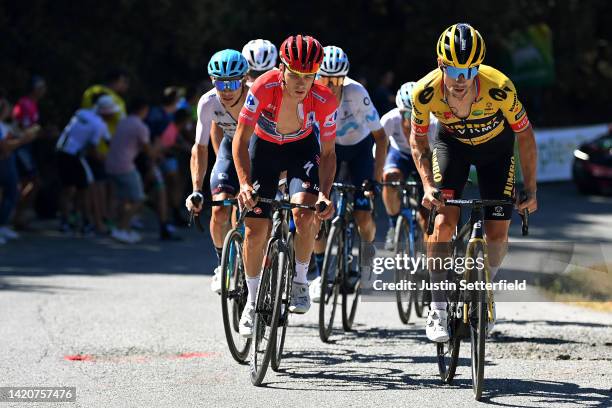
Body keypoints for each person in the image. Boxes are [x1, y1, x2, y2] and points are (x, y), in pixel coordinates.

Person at [410, 23, 538, 342]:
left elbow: (524, 134)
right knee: (443, 221)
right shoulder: (425, 92)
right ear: (441, 64)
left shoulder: (500, 87)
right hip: (451, 148)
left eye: (470, 69)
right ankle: (438, 307)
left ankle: (485, 291)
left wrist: (531, 189)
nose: (462, 78)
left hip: (496, 153)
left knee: (498, 230)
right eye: (454, 68)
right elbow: (418, 139)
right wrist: (428, 186)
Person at [217, 35, 336, 337]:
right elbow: (241, 141)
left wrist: (324, 192)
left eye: (308, 77)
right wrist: (243, 183)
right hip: (264, 149)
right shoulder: (262, 87)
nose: (301, 83)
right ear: (281, 68)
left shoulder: (324, 99)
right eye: (295, 75)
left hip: (301, 149)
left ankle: (299, 280)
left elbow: (329, 153)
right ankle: (252, 301)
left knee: (305, 214)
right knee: (257, 228)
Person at [310, 45, 387, 302]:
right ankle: (322, 274)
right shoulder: (311, 92)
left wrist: (375, 178)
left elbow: (381, 137)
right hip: (328, 148)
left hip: (360, 150)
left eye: (337, 80)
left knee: (363, 215)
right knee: (317, 211)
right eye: (325, 78)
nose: (331, 85)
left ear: (345, 78)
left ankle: (367, 259)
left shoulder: (356, 92)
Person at [185, 49, 250, 293]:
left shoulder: (258, 97)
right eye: (221, 82)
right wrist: (196, 190)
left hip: (259, 150)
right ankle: (222, 264)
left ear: (244, 79)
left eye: (233, 82)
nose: (227, 89)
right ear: (213, 81)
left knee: (259, 214)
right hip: (229, 149)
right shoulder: (208, 102)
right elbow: (199, 149)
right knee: (220, 208)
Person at [381, 82, 439, 250]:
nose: (411, 120)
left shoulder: (434, 124)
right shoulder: (389, 120)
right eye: (406, 114)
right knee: (389, 178)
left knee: (427, 214)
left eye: (416, 114)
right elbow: (379, 150)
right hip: (401, 155)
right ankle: (393, 225)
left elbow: (439, 157)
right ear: (400, 111)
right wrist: (376, 174)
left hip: (426, 156)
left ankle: (433, 261)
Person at [55, 95, 117, 235]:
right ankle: (87, 222)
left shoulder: (82, 113)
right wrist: (106, 160)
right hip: (74, 155)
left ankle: (67, 221)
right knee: (86, 188)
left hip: (61, 151)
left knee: (69, 188)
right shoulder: (99, 124)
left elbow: (108, 141)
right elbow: (93, 150)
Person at [105, 98, 153, 244]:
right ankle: (121, 228)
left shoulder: (123, 121)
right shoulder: (140, 126)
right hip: (125, 166)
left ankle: (121, 229)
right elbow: (149, 151)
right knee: (139, 199)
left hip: (111, 164)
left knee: (124, 199)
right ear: (143, 109)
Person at [0, 94, 40, 244]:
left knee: (12, 193)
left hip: (7, 162)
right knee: (9, 193)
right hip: (3, 163)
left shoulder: (4, 126)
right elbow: (4, 147)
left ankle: (2, 225)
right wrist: (23, 140)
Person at [11, 75, 47, 230]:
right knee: (29, 182)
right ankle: (15, 214)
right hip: (21, 148)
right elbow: (21, 129)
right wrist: (39, 133)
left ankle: (18, 216)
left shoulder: (33, 104)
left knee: (30, 182)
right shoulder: (25, 104)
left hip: (28, 147)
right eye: (42, 87)